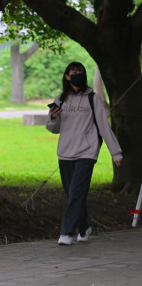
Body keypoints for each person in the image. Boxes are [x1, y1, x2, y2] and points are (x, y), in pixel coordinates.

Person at [46, 61, 123, 246]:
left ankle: (66, 232)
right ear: (67, 76)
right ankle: (84, 227)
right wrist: (53, 117)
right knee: (72, 194)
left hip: (87, 153)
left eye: (80, 71)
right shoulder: (60, 99)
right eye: (74, 71)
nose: (77, 74)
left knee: (76, 192)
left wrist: (116, 153)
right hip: (65, 153)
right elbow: (53, 128)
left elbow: (104, 127)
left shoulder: (93, 99)